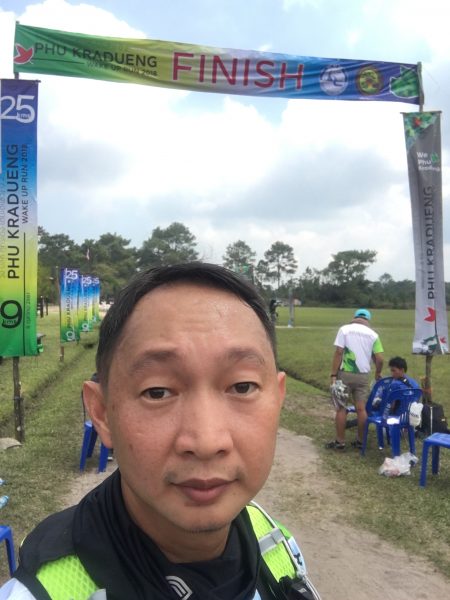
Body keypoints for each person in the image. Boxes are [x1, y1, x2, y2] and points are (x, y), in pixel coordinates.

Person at [1, 263, 320, 600]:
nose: (206, 442)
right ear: (102, 413)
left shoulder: (276, 545)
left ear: (278, 399)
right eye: (157, 392)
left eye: (242, 386)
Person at [326, 308, 384, 450]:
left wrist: (333, 374)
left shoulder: (344, 330)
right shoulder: (373, 335)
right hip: (363, 376)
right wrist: (378, 372)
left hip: (344, 374)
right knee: (361, 409)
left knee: (341, 408)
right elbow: (380, 358)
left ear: (355, 317)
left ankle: (340, 442)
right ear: (367, 320)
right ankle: (360, 441)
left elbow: (339, 352)